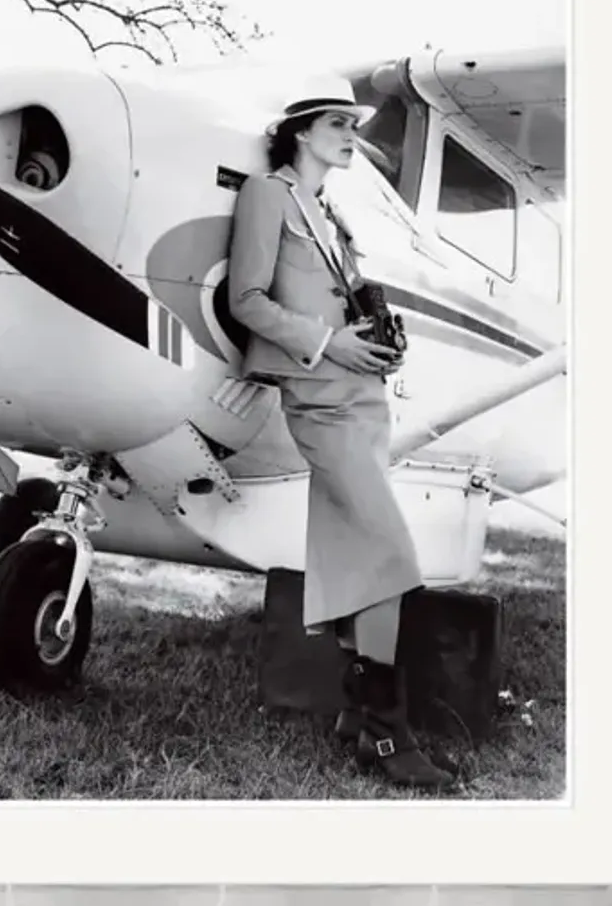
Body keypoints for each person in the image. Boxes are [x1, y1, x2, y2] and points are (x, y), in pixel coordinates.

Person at [227, 74, 454, 790]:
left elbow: (335, 302)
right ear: (300, 131)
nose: (352, 134)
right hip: (320, 399)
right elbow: (247, 299)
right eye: (338, 123)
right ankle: (389, 734)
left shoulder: (329, 212)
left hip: (359, 397)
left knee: (356, 556)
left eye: (352, 124)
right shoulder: (270, 195)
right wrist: (329, 345)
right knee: (387, 553)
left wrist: (373, 341)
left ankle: (360, 722)